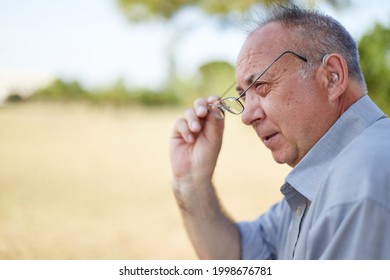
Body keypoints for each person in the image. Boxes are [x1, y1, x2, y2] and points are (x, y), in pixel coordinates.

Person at [169, 5, 390, 260]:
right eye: (242, 96)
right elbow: (240, 256)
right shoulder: (320, 179)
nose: (246, 117)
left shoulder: (360, 182)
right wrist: (191, 183)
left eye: (261, 86)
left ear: (332, 77)